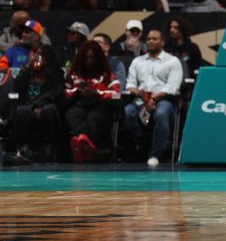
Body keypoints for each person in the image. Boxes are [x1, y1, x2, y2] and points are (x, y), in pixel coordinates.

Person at [124, 29, 183, 166]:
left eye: (154, 39)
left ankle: (155, 154)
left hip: (163, 99)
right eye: (149, 39)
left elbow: (172, 87)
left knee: (161, 113)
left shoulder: (172, 61)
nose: (150, 41)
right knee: (128, 112)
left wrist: (153, 99)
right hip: (141, 98)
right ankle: (143, 146)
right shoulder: (137, 61)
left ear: (162, 42)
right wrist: (139, 94)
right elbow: (130, 84)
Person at [64, 41, 120, 163]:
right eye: (86, 58)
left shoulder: (106, 73)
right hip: (78, 103)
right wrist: (77, 90)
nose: (89, 61)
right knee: (75, 116)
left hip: (100, 104)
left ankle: (82, 147)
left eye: (92, 58)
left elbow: (116, 93)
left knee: (94, 119)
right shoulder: (73, 74)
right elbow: (65, 91)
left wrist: (97, 92)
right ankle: (85, 146)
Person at [9, 44, 64, 163]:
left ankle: (51, 149)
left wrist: (39, 105)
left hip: (47, 105)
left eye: (40, 55)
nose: (37, 57)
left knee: (49, 110)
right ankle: (22, 149)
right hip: (29, 106)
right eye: (35, 54)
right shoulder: (29, 73)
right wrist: (29, 66)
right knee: (21, 111)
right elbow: (17, 84)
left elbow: (55, 93)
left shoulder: (56, 74)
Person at [164, 16, 204, 81]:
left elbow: (198, 68)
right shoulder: (166, 47)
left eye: (176, 27)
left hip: (187, 85)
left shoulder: (192, 47)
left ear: (183, 29)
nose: (172, 30)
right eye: (170, 27)